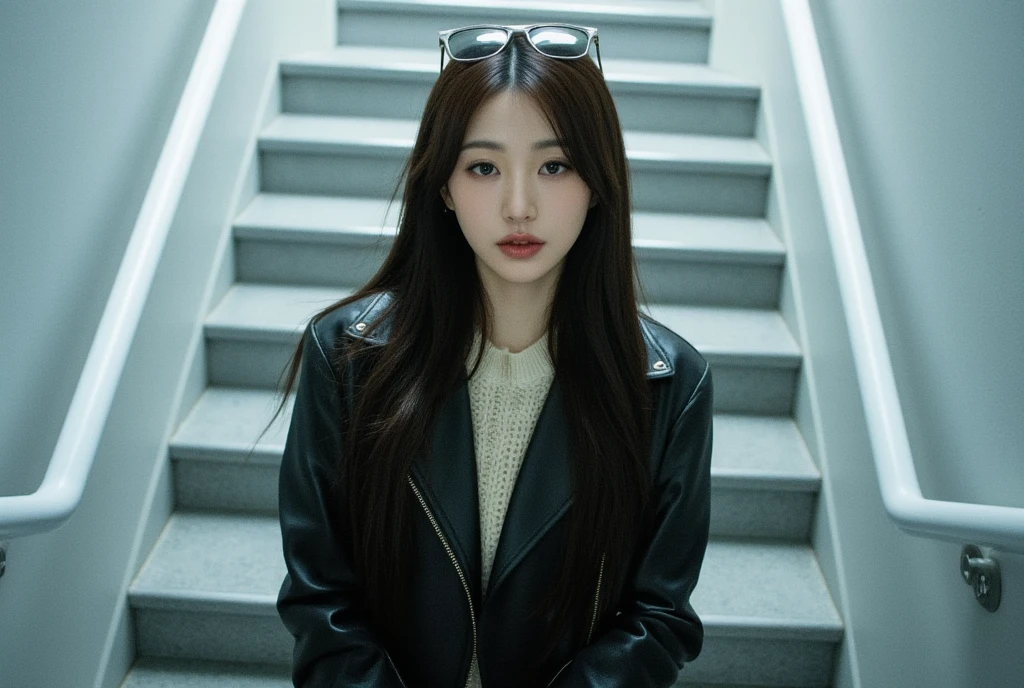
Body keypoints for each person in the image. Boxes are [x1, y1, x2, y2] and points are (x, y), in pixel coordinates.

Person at [264, 23, 714, 688]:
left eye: (554, 166)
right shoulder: (348, 357)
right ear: (443, 185)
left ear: (597, 182)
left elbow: (658, 619)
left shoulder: (670, 385)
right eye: (483, 167)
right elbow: (321, 602)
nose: (519, 206)